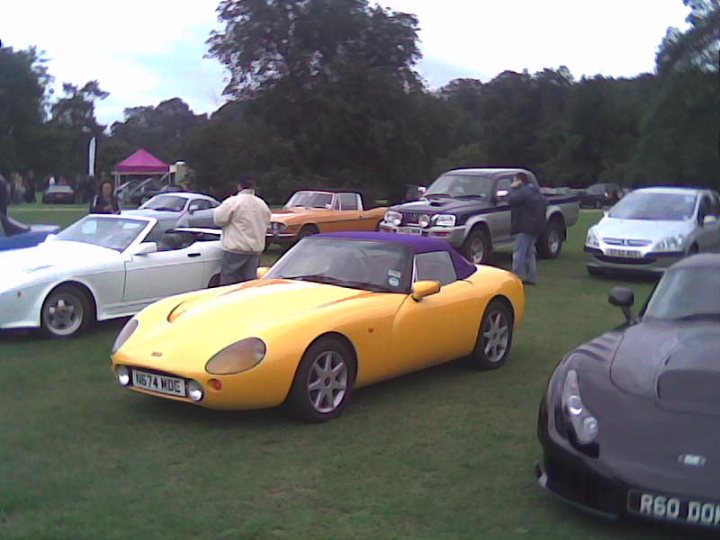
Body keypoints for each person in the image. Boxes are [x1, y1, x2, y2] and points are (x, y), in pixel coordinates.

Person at [214, 178, 271, 285]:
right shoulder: (262, 204)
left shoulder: (233, 202)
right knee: (250, 282)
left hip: (236, 249)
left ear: (239, 187)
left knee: (229, 282)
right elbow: (267, 223)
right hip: (255, 250)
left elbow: (219, 219)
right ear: (254, 188)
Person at [505, 172, 547, 285]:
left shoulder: (523, 192)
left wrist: (512, 189)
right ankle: (532, 278)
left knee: (519, 253)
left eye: (514, 180)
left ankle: (516, 278)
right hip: (536, 227)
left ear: (520, 181)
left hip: (524, 226)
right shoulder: (535, 191)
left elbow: (511, 199)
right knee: (529, 253)